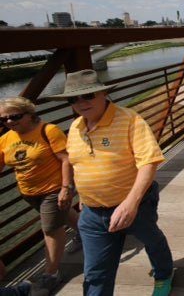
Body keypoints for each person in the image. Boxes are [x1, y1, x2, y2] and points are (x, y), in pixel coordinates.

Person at [50, 69, 174, 296]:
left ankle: (164, 272)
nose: (81, 103)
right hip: (93, 212)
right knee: (96, 271)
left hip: (136, 202)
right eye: (73, 99)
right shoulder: (76, 127)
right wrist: (83, 199)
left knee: (151, 239)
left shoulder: (130, 120)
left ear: (103, 92)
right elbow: (79, 165)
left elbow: (149, 162)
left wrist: (131, 203)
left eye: (88, 95)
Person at [0, 97, 81, 294]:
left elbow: (65, 159)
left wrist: (66, 187)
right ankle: (89, 232)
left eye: (15, 116)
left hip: (53, 189)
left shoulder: (48, 130)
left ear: (29, 113)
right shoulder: (5, 139)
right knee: (62, 215)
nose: (9, 122)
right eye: (3, 119)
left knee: (51, 229)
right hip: (28, 192)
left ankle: (51, 273)